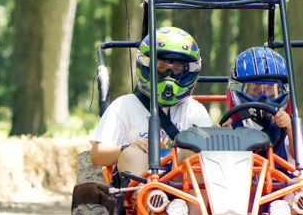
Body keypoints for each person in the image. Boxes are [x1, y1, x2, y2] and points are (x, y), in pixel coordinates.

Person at [89, 26, 212, 177]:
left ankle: (196, 202)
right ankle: (150, 198)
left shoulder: (194, 110)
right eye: (161, 68)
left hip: (183, 184)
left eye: (177, 69)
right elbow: (96, 155)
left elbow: (209, 155)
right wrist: (126, 148)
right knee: (133, 154)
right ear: (147, 67)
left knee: (196, 151)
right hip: (139, 183)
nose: (169, 76)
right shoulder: (124, 105)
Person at [225, 46, 303, 163]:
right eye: (254, 90)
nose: (263, 97)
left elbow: (300, 158)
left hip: (283, 180)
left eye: (271, 89)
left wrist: (289, 128)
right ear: (237, 90)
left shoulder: (291, 127)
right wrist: (220, 136)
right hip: (242, 179)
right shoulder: (231, 128)